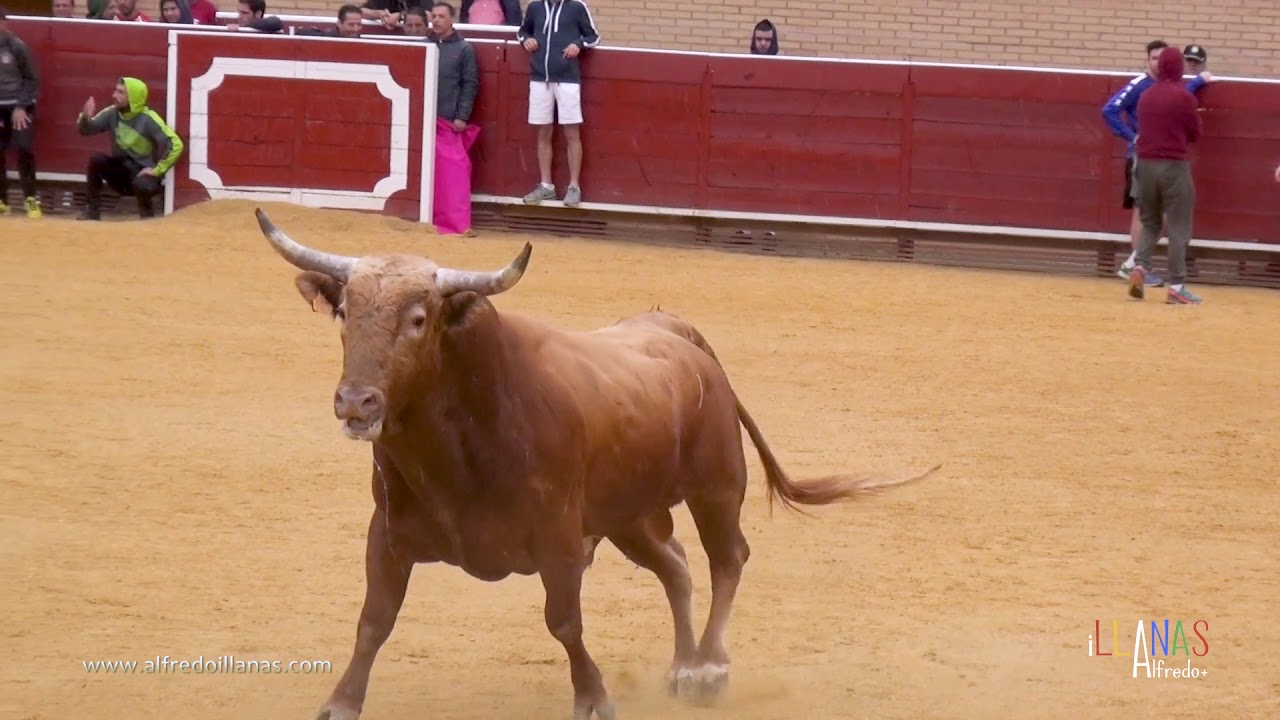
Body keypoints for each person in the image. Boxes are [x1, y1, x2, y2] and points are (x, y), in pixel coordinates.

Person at [1101, 39, 1213, 286]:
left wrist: (1195, 83)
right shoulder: (1141, 85)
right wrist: (1132, 136)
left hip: (1147, 158)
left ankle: (1136, 265)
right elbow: (1109, 109)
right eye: (1154, 58)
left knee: (1151, 216)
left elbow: (1175, 94)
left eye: (1161, 59)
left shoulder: (1154, 89)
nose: (1158, 63)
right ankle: (1137, 266)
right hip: (1145, 156)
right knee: (1147, 215)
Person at [1128, 46, 1203, 304]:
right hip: (1173, 166)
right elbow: (1194, 133)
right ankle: (1177, 287)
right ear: (1179, 68)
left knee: (1150, 221)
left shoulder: (1146, 96)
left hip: (1145, 165)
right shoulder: (1183, 97)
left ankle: (1139, 266)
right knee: (1179, 227)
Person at [517, 0, 600, 207]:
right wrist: (526, 40)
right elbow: (522, 32)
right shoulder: (535, 7)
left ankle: (574, 187)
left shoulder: (577, 6)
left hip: (568, 79)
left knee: (572, 132)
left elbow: (593, 37)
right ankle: (546, 186)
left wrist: (578, 44)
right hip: (539, 78)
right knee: (543, 132)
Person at [75, 77, 184, 221]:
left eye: (121, 93)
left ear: (133, 97)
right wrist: (85, 117)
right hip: (122, 172)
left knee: (142, 183)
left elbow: (176, 144)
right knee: (96, 160)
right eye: (116, 91)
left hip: (143, 176)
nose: (114, 95)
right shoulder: (112, 112)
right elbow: (86, 130)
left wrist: (158, 170)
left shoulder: (149, 118)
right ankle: (91, 212)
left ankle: (147, 219)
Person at [0, 8, 42, 218]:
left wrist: (20, 107)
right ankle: (2, 200)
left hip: (19, 106)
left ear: (4, 24)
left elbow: (32, 79)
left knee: (24, 148)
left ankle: (30, 198)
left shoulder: (17, 47)